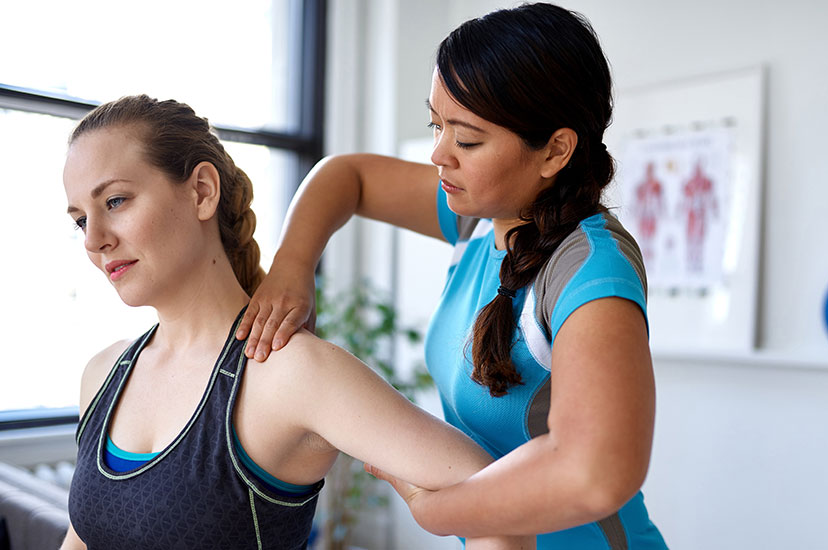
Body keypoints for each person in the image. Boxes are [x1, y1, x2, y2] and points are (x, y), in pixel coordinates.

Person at [238, 3, 668, 548]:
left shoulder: (589, 268)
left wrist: (436, 513)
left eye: (466, 139)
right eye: (435, 124)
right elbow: (346, 176)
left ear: (555, 150)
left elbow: (599, 471)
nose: (440, 154)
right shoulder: (479, 218)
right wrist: (291, 270)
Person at [58, 95, 532, 550]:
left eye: (116, 202)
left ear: (202, 192)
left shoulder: (289, 372)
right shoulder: (102, 375)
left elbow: (500, 505)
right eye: (80, 220)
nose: (94, 239)